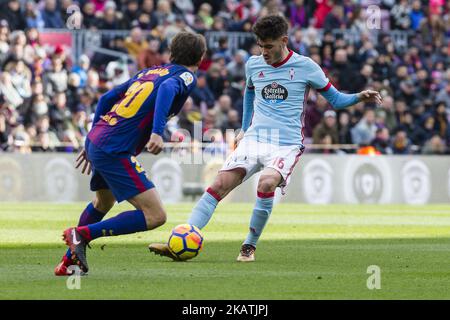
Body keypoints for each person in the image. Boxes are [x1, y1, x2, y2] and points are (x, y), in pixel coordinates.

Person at [149, 15, 381, 262]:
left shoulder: (306, 67)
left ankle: (249, 246)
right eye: (260, 45)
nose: (264, 51)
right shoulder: (254, 64)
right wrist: (243, 128)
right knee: (218, 186)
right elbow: (250, 94)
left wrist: (358, 96)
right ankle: (181, 241)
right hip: (255, 138)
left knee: (266, 184)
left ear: (284, 40)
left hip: (286, 143)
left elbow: (335, 100)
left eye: (268, 46)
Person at [55, 31, 206, 275]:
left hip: (99, 141)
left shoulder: (149, 72)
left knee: (104, 201)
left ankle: (69, 261)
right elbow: (168, 88)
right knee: (155, 215)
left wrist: (91, 137)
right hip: (114, 148)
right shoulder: (186, 75)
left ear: (171, 53)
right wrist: (157, 132)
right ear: (201, 58)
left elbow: (105, 98)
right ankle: (81, 234)